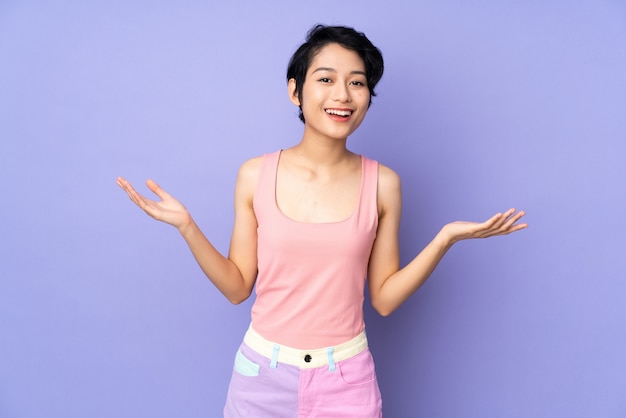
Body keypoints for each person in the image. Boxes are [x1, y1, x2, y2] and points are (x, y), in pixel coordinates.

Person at [117, 24, 527, 418]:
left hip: (346, 380)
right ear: (295, 91)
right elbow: (238, 285)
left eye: (357, 82)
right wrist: (187, 226)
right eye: (326, 79)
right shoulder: (254, 175)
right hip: (262, 378)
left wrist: (444, 239)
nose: (343, 95)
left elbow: (383, 299)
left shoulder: (383, 184)